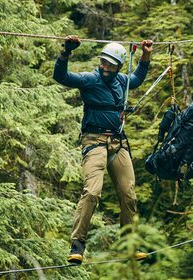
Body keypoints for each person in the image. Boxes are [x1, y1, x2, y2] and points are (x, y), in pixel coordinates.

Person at [53, 35, 153, 264]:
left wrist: (146, 56)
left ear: (118, 66)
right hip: (94, 142)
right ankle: (77, 245)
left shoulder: (121, 81)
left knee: (128, 194)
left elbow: (137, 78)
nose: (105, 67)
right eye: (103, 62)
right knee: (92, 192)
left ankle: (130, 246)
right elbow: (61, 76)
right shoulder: (90, 79)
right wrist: (65, 53)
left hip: (118, 143)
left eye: (110, 64)